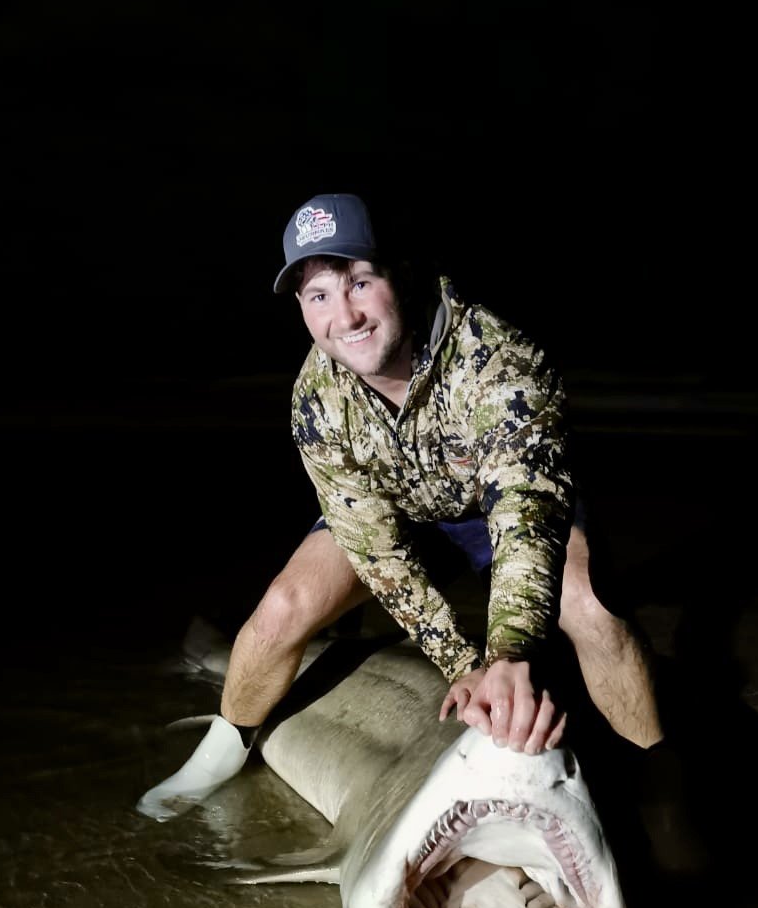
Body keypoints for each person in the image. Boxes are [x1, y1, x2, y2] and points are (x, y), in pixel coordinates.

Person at [137, 193, 703, 872]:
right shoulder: (317, 397)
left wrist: (508, 655)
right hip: (401, 513)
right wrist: (463, 666)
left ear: (399, 275)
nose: (342, 315)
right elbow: (375, 547)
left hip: (503, 507)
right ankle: (224, 747)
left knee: (590, 609)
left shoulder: (501, 359)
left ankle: (663, 794)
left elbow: (526, 513)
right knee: (283, 607)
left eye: (359, 282)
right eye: (317, 295)